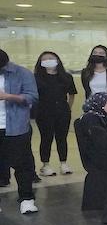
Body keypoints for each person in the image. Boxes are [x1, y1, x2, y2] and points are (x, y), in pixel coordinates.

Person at [0, 49, 40, 214]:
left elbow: (32, 97)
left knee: (22, 164)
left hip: (15, 127)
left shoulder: (22, 73)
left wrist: (7, 96)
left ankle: (26, 199)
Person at [32, 51, 77, 176]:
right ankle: (45, 165)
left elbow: (72, 94)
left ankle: (63, 163)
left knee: (62, 138)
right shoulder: (36, 78)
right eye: (45, 59)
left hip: (62, 111)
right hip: (43, 112)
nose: (48, 60)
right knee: (46, 138)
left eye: (51, 58)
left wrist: (68, 107)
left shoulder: (66, 77)